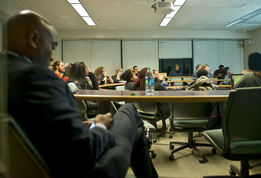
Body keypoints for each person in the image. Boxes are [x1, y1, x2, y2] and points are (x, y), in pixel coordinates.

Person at [2, 10, 158, 178]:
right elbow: (83, 150)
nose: (52, 56)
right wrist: (99, 126)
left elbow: (44, 128)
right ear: (33, 39)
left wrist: (78, 126)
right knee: (128, 110)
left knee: (137, 134)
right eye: (52, 46)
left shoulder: (8, 75)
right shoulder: (35, 77)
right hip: (90, 169)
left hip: (49, 163)